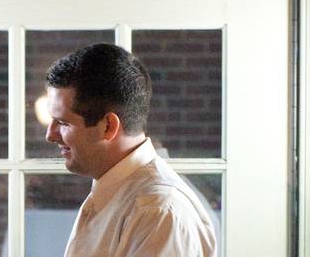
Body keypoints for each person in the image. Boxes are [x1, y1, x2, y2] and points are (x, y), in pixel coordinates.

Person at [46, 43, 218, 257]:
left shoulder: (156, 211)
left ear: (108, 126)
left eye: (63, 122)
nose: (50, 134)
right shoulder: (121, 196)